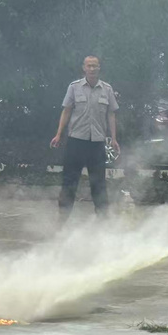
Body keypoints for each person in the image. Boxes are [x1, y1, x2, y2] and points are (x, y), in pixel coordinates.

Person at [50, 55, 119, 221]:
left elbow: (111, 114)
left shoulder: (107, 89)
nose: (92, 69)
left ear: (99, 68)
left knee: (99, 183)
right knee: (69, 181)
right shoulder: (74, 87)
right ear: (84, 68)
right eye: (89, 66)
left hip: (97, 143)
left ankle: (103, 220)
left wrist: (114, 138)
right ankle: (62, 220)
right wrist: (59, 134)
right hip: (76, 142)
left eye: (95, 66)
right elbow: (66, 110)